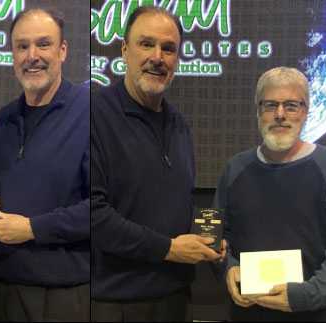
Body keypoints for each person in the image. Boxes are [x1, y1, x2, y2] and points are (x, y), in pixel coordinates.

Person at [90, 6, 227, 322]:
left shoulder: (178, 124)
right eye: (146, 44)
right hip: (113, 303)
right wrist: (169, 248)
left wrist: (208, 237)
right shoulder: (95, 115)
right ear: (124, 50)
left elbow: (170, 204)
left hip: (175, 299)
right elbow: (94, 216)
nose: (158, 57)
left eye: (169, 48)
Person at [0, 7, 89, 322]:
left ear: (63, 50)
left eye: (43, 44)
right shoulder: (5, 119)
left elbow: (101, 207)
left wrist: (31, 228)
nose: (32, 56)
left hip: (62, 296)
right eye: (22, 46)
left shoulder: (90, 112)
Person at [217, 66, 326, 321]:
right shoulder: (236, 168)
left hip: (315, 314)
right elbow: (217, 236)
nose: (280, 114)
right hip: (247, 314)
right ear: (259, 112)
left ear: (305, 112)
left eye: (292, 105)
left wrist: (309, 294)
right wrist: (227, 268)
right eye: (270, 105)